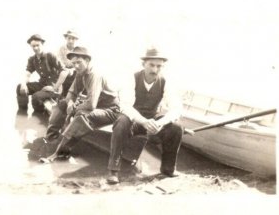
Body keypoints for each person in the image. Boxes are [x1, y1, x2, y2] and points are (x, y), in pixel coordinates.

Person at [106, 48, 194, 184]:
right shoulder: (132, 78)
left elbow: (176, 108)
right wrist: (143, 121)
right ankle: (113, 171)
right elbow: (126, 106)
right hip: (133, 120)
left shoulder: (165, 81)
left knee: (176, 128)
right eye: (151, 65)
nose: (155, 69)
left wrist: (159, 123)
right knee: (121, 122)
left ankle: (168, 169)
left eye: (159, 66)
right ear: (143, 64)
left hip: (153, 121)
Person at [40, 46, 120, 162]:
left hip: (111, 111)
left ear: (87, 61)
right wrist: (70, 103)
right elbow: (71, 93)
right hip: (98, 106)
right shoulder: (80, 72)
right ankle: (51, 138)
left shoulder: (94, 75)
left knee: (81, 114)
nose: (76, 66)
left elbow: (91, 105)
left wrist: (75, 108)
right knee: (61, 104)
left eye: (79, 62)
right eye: (73, 63)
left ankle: (60, 153)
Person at [16, 34, 68, 112]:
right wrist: (23, 84)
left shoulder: (50, 56)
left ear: (42, 44)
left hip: (54, 88)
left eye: (38, 45)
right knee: (19, 88)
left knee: (36, 97)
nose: (36, 48)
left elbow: (64, 71)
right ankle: (22, 113)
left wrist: (54, 87)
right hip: (42, 85)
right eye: (33, 46)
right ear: (31, 46)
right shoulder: (32, 59)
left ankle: (39, 114)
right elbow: (27, 74)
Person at [57, 30, 79, 97]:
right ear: (66, 38)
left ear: (76, 40)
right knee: (62, 75)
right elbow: (59, 60)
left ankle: (72, 96)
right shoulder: (62, 48)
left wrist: (72, 69)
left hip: (75, 70)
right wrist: (64, 68)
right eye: (69, 38)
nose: (70, 41)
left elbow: (79, 63)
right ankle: (60, 95)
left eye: (73, 39)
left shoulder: (77, 50)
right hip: (64, 69)